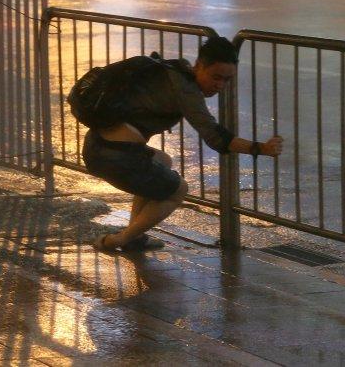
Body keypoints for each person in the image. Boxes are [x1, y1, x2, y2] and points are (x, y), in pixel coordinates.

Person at [85, 37, 283, 252]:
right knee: (177, 190)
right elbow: (216, 138)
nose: (220, 85)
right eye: (216, 77)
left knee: (162, 161)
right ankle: (118, 240)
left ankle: (135, 236)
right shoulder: (186, 89)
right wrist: (260, 148)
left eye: (227, 80)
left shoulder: (173, 69)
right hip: (112, 157)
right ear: (199, 66)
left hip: (98, 146)